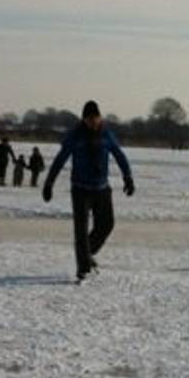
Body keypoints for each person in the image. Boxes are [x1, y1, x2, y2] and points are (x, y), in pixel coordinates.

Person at [42, 100, 134, 283]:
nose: (93, 122)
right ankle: (83, 268)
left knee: (106, 224)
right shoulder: (75, 135)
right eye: (89, 119)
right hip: (80, 189)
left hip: (101, 188)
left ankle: (87, 253)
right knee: (81, 230)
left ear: (100, 117)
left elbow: (119, 154)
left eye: (96, 118)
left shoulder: (106, 133)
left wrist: (128, 176)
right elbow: (61, 158)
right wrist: (49, 182)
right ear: (83, 119)